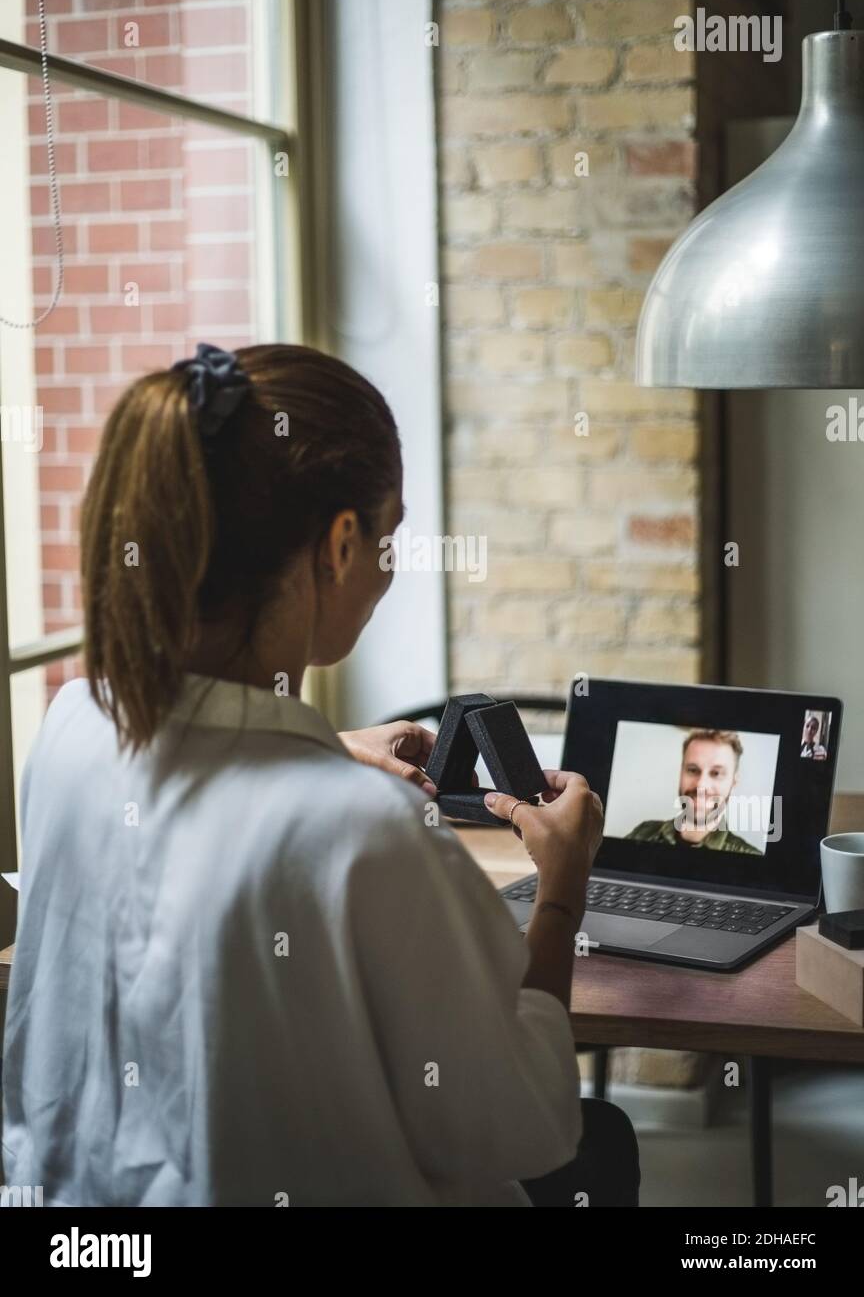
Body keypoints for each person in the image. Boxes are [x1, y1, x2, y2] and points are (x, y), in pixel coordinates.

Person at [2, 343, 638, 1208]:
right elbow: (525, 1126)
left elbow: (199, 791)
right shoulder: (366, 832)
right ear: (342, 543)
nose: (389, 564)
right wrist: (563, 889)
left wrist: (322, 750)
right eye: (391, 534)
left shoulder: (74, 727)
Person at [626, 729, 759, 854]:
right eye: (693, 770)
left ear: (733, 782)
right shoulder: (642, 832)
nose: (701, 785)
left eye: (716, 773)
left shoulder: (751, 857)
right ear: (681, 772)